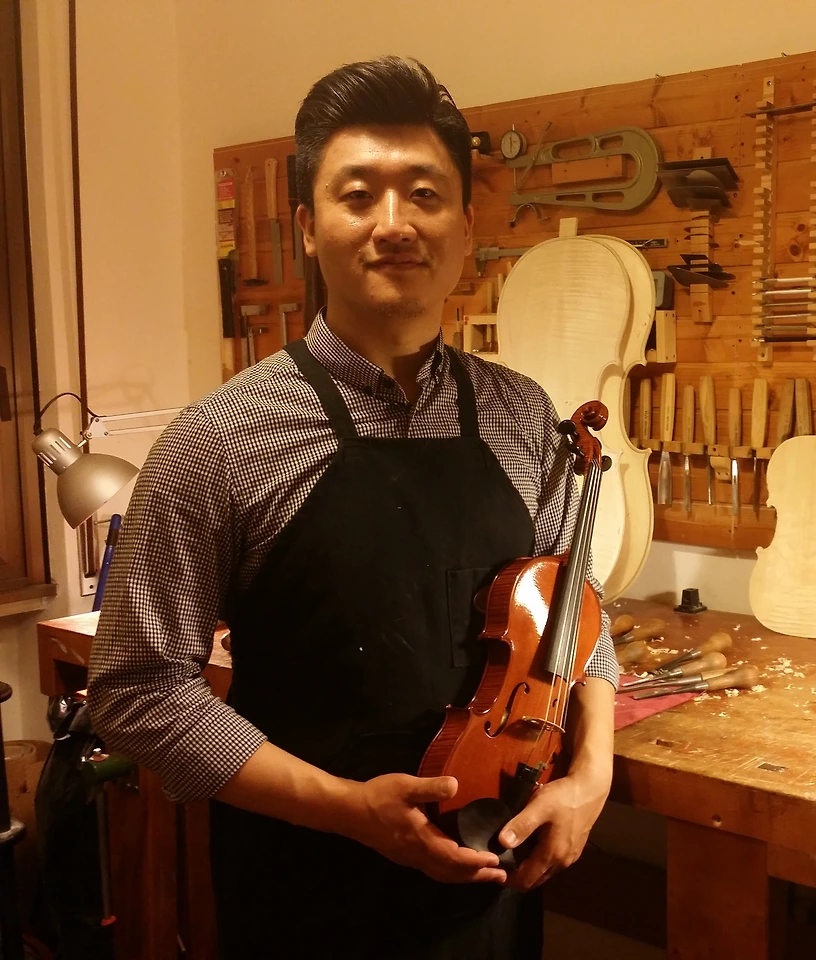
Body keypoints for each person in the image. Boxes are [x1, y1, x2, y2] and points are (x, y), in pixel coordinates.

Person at [87, 56, 618, 959]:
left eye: (425, 194)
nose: (394, 224)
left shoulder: (524, 416)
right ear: (307, 226)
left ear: (466, 225)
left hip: (492, 885)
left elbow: (579, 611)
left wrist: (593, 776)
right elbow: (137, 689)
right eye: (358, 195)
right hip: (306, 891)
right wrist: (346, 809)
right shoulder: (219, 439)